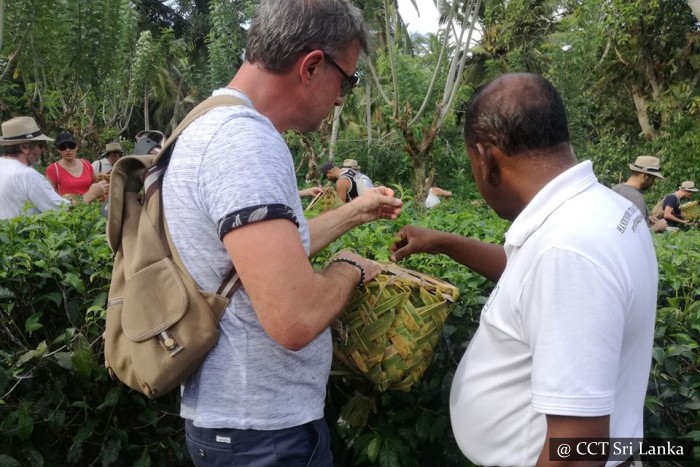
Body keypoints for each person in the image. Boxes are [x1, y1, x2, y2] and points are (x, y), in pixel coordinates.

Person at [161, 1, 402, 465]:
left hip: (239, 425)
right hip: (263, 433)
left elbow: (265, 255)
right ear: (312, 65)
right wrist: (349, 267)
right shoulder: (245, 142)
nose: (340, 99)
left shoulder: (211, 122)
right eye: (347, 81)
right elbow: (294, 318)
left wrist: (356, 213)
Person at [390, 73, 657, 467]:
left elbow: (576, 453)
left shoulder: (568, 250)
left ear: (485, 158)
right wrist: (443, 241)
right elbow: (529, 280)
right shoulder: (600, 210)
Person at [0, 117, 106, 220]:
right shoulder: (28, 176)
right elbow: (63, 211)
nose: (42, 151)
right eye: (40, 145)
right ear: (24, 147)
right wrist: (93, 193)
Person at [612, 155, 667, 232]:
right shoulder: (637, 198)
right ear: (645, 176)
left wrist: (647, 217)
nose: (653, 183)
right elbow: (638, 235)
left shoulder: (616, 188)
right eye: (653, 179)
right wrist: (657, 227)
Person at [46, 132, 97, 196]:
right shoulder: (53, 169)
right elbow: (49, 195)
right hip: (69, 205)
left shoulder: (86, 164)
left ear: (76, 147)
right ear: (58, 150)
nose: (67, 150)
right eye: (63, 147)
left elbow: (97, 182)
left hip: (92, 205)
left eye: (71, 146)